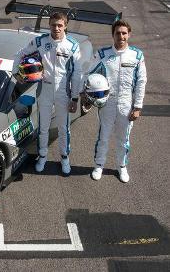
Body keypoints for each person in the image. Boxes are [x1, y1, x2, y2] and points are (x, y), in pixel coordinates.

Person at [12, 12, 83, 175]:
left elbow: (77, 73)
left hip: (63, 92)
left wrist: (74, 98)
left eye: (60, 25)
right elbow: (20, 53)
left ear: (65, 25)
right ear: (49, 25)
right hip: (44, 89)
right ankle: (42, 156)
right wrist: (16, 72)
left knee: (63, 128)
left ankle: (65, 158)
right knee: (43, 127)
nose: (56, 28)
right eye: (53, 24)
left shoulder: (73, 45)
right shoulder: (40, 41)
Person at [88, 19, 147, 183]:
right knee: (103, 137)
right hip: (107, 103)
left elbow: (142, 81)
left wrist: (138, 106)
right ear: (113, 35)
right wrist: (87, 95)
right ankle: (99, 165)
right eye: (118, 33)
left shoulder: (137, 55)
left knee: (123, 140)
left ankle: (122, 167)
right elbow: (88, 74)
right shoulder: (102, 54)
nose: (121, 36)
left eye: (124, 33)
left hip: (127, 105)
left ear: (129, 34)